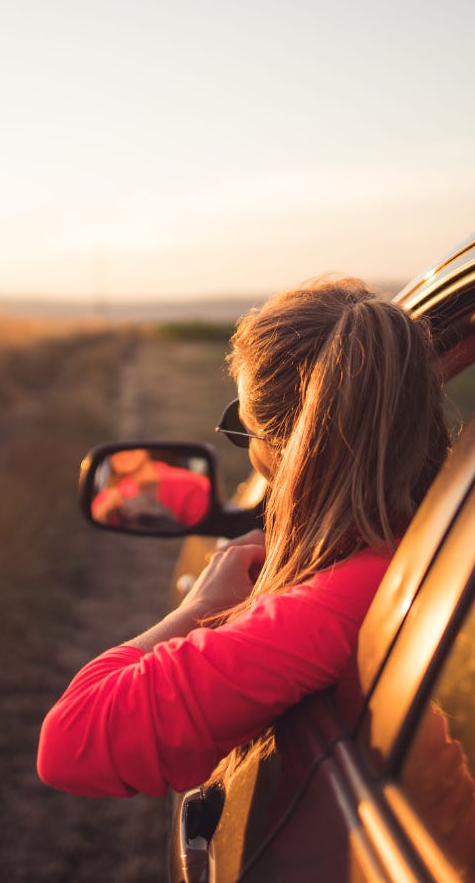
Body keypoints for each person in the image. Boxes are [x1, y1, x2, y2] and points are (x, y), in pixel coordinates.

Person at [37, 276, 451, 798]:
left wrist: (197, 608)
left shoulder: (342, 601)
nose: (245, 447)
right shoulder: (434, 541)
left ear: (290, 447)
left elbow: (69, 742)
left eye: (244, 429)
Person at [90, 448, 212, 530]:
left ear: (145, 448)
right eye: (116, 451)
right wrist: (106, 514)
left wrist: (166, 519)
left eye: (132, 447)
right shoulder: (110, 495)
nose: (123, 454)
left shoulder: (192, 484)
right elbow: (96, 523)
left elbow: (200, 537)